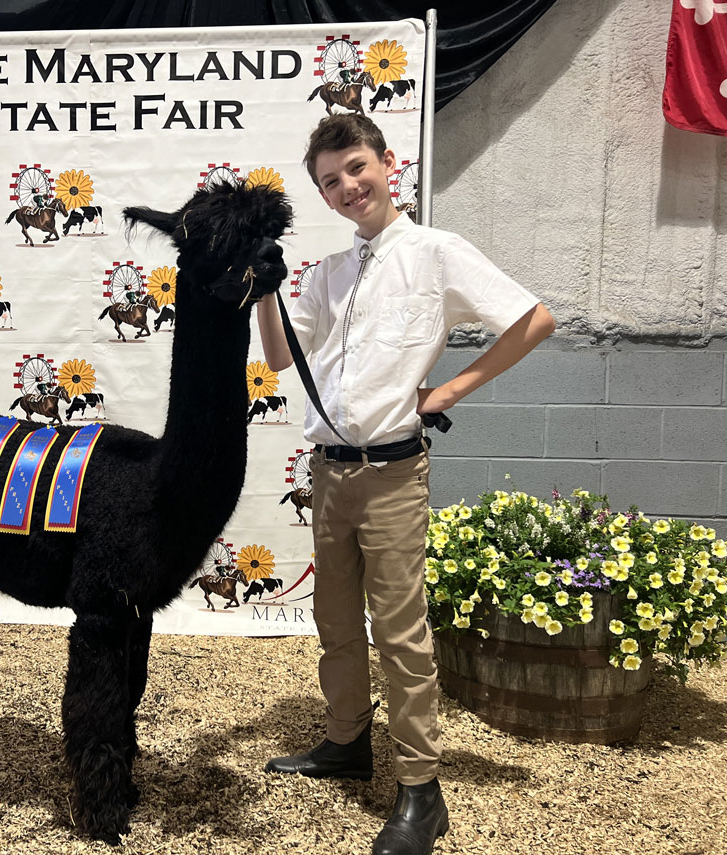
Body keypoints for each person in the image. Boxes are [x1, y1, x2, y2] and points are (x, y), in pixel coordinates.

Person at [256, 113, 555, 855]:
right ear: (323, 195)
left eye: (356, 167)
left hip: (392, 473)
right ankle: (346, 742)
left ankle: (422, 789)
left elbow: (535, 320)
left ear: (387, 163)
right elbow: (280, 359)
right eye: (331, 181)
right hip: (329, 473)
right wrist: (265, 290)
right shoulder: (328, 272)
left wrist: (448, 391)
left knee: (399, 632)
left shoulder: (435, 253)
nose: (348, 186)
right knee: (334, 621)